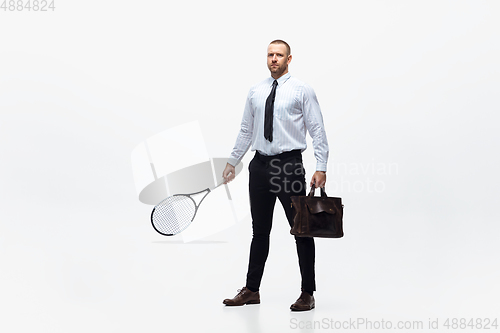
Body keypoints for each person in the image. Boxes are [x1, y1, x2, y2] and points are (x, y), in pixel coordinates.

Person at [222, 40, 329, 311]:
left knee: (302, 230)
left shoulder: (301, 90)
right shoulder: (256, 91)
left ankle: (307, 292)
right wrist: (233, 161)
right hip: (259, 167)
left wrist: (321, 166)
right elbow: (246, 129)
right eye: (270, 54)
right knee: (260, 232)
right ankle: (251, 290)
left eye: (279, 55)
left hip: (289, 165)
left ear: (289, 59)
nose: (273, 59)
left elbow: (317, 128)